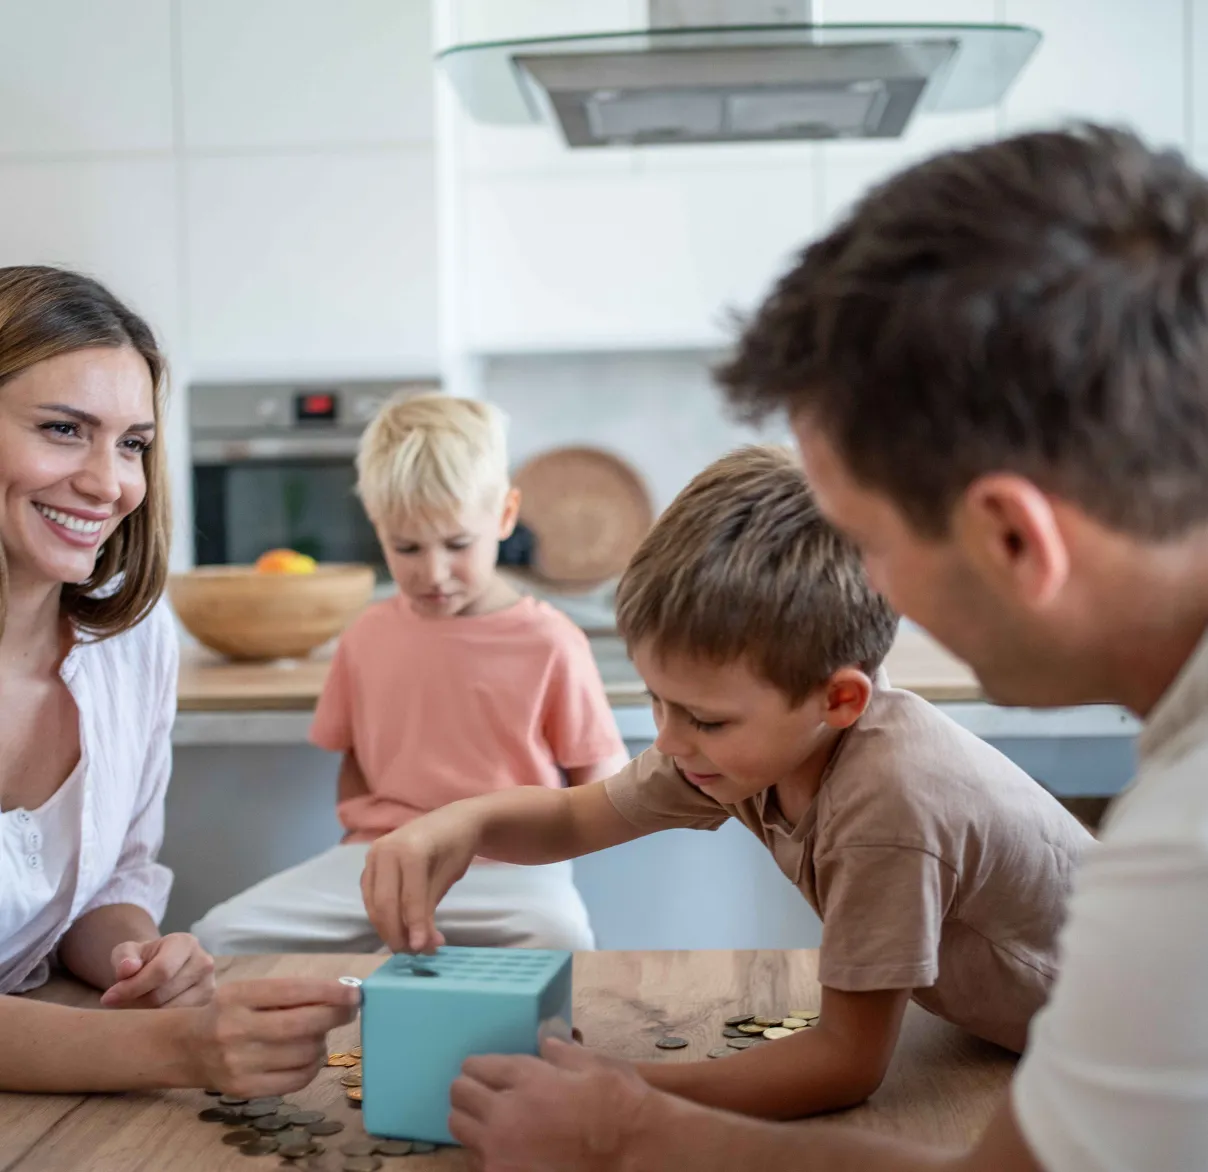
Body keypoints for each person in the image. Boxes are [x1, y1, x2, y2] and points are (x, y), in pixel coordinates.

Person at [437, 125, 1208, 1171]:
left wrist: (623, 1127)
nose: (870, 594)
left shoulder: (1182, 843)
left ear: (1011, 539)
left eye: (872, 540)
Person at [365, 443, 1090, 1123]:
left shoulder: (891, 805)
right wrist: (458, 824)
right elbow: (577, 819)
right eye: (656, 701)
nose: (670, 739)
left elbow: (845, 1064)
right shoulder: (751, 746)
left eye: (704, 719)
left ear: (838, 699)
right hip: (1016, 1041)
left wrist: (618, 1087)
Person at [0, 265, 357, 1094]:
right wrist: (182, 1049)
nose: (110, 482)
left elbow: (110, 879)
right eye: (62, 428)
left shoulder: (131, 641)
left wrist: (137, 954)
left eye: (133, 444)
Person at [194, 393, 628, 956]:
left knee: (563, 940)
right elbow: (354, 769)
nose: (434, 572)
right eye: (407, 548)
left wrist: (531, 846)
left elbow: (602, 788)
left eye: (457, 544)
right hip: (378, 859)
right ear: (378, 530)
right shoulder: (365, 636)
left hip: (512, 873)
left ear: (504, 516)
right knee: (217, 939)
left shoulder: (551, 642)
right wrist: (382, 854)